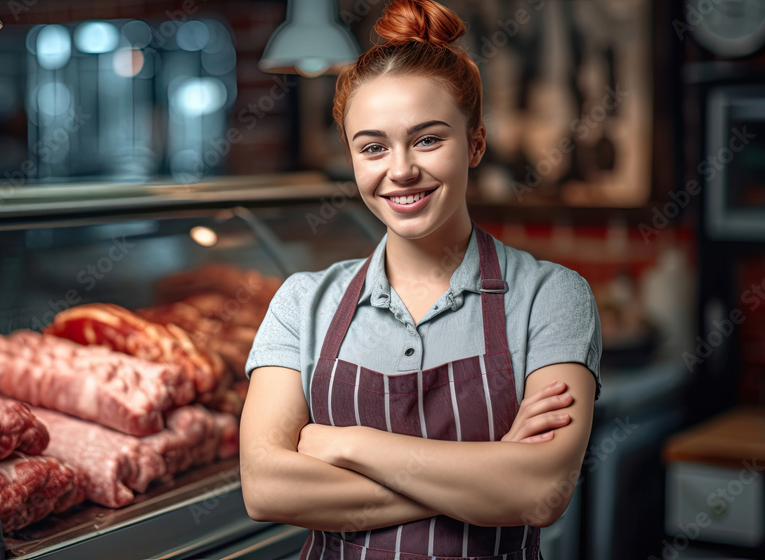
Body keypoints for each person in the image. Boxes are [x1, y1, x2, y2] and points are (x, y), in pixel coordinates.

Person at [240, 1, 601, 558]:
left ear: (475, 143)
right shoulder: (301, 303)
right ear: (353, 157)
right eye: (373, 147)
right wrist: (488, 478)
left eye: (429, 139)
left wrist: (344, 444)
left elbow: (540, 491)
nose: (401, 169)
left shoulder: (551, 297)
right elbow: (265, 489)